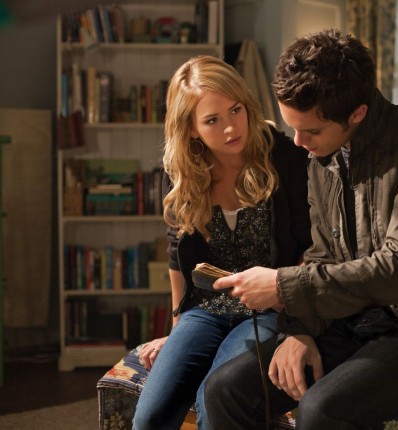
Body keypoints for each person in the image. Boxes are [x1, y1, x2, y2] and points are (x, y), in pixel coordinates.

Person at [204, 29, 398, 429]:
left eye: (311, 131)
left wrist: (281, 286)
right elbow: (322, 253)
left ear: (358, 113)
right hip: (354, 319)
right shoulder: (321, 155)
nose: (298, 142)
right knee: (225, 389)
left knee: (320, 409)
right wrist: (301, 330)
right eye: (293, 127)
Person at [131, 55, 312, 430]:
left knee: (212, 400)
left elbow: (312, 246)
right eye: (212, 120)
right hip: (204, 310)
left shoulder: (287, 158)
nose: (231, 127)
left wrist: (299, 321)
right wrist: (176, 332)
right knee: (149, 417)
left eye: (235, 110)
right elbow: (176, 259)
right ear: (191, 129)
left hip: (267, 311)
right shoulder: (181, 172)